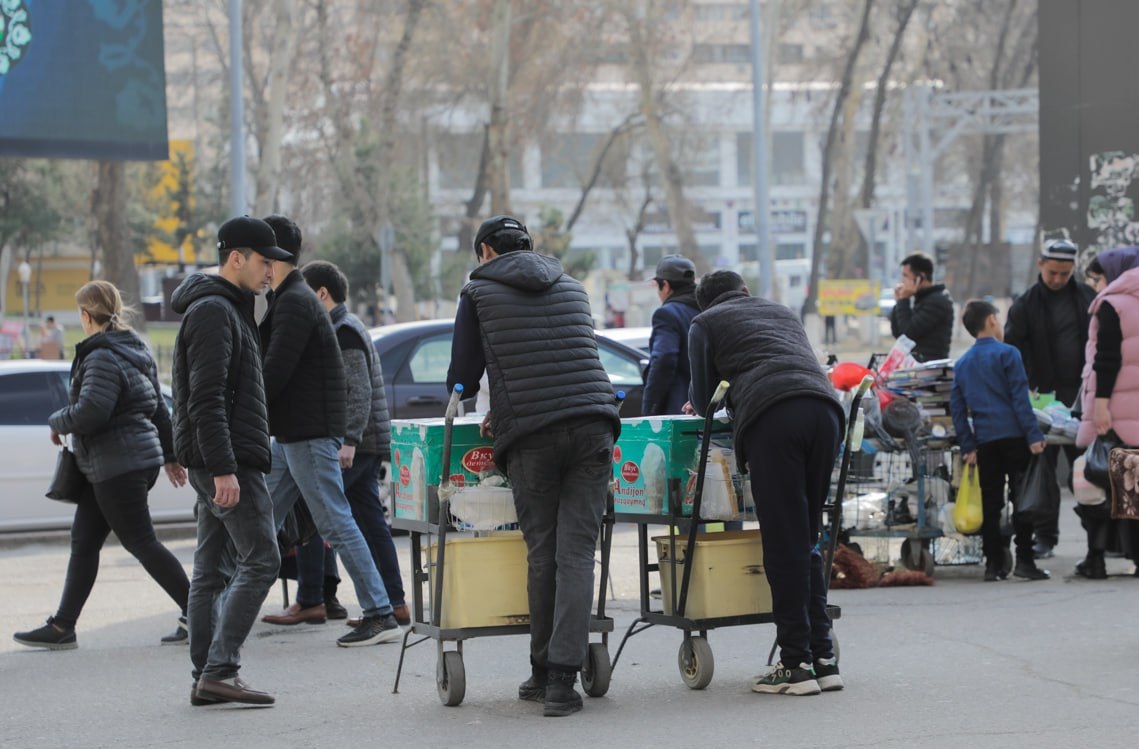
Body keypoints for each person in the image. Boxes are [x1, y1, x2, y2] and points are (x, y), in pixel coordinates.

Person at [446, 215, 620, 717]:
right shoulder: (572, 286)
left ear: (484, 251)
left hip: (533, 436)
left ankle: (546, 672)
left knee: (543, 552)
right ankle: (562, 680)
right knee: (577, 553)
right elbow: (565, 357)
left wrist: (472, 408)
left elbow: (463, 375)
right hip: (594, 424)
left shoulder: (477, 292)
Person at [684, 269, 844, 697]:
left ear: (707, 304)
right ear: (745, 291)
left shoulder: (705, 323)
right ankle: (823, 658)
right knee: (806, 537)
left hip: (775, 418)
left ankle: (794, 665)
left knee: (782, 542)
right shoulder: (782, 311)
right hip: (825, 413)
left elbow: (704, 401)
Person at [13, 282, 190, 651]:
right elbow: (158, 407)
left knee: (142, 543)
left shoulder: (101, 356)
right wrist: (171, 455)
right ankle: (63, 626)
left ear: (85, 315)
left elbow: (93, 411)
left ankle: (202, 614)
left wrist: (57, 420)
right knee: (84, 541)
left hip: (118, 465)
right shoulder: (134, 347)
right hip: (120, 463)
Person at [258, 215, 401, 647]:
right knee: (263, 519)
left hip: (309, 433)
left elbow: (282, 373)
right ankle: (226, 603)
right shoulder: (287, 300)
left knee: (337, 524)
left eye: (260, 256)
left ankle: (379, 610)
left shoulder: (300, 305)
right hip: (293, 434)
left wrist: (350, 440)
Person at [170, 215, 291, 706]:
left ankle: (206, 675)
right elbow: (207, 397)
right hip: (227, 458)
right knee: (262, 559)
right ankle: (220, 670)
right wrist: (223, 467)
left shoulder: (227, 307)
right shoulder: (215, 311)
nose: (270, 272)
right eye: (264, 262)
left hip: (221, 455)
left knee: (211, 570)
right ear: (236, 258)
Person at [1004, 239, 1096, 559]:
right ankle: (1046, 536)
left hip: (1081, 401)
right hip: (1040, 401)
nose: (1058, 279)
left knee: (1084, 472)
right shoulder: (1025, 305)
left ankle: (1097, 541)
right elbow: (1012, 352)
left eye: (1065, 274)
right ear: (1041, 264)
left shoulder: (1087, 298)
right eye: (1053, 272)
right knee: (1041, 474)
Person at [950, 300, 1049, 582]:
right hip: (1015, 437)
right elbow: (1020, 399)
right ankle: (1025, 561)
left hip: (985, 441)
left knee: (991, 503)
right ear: (992, 320)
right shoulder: (1008, 354)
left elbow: (957, 409)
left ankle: (993, 565)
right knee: (1022, 500)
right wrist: (1034, 436)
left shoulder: (963, 363)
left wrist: (968, 445)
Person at [1074, 248, 1139, 579]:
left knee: (1094, 483)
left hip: (1115, 413)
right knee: (1133, 487)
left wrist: (1099, 406)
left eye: (1097, 279)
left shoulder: (1113, 303)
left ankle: (1095, 558)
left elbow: (1107, 360)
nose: (1096, 287)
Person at [643, 254, 699, 416]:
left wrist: (650, 409)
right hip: (707, 409)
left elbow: (664, 359)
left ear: (665, 286)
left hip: (678, 410)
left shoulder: (667, 314)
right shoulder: (707, 309)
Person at [890, 252, 954, 362]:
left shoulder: (937, 301)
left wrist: (904, 300)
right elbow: (899, 334)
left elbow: (908, 334)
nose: (902, 281)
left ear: (921, 277)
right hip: (916, 366)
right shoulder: (922, 299)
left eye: (906, 276)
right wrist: (899, 302)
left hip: (931, 369)